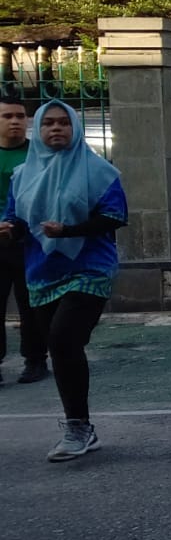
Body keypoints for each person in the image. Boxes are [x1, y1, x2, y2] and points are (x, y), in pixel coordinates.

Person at [0, 101, 127, 462]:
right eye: (48, 123)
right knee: (61, 348)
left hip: (90, 268)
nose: (56, 129)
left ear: (75, 128)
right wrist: (9, 230)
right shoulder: (22, 174)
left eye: (63, 123)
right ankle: (81, 425)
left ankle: (77, 429)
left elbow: (114, 217)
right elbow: (17, 219)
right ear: (38, 130)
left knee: (62, 338)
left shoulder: (100, 171)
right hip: (42, 271)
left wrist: (69, 230)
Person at [0, 93, 46, 386]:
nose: (15, 121)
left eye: (20, 116)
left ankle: (35, 360)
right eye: (7, 116)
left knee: (32, 305)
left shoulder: (38, 155)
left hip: (30, 241)